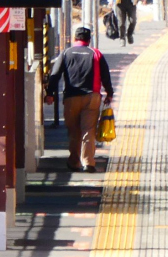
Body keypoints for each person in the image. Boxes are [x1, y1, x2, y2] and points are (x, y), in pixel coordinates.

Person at [45, 26, 115, 172]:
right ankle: (88, 162)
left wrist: (50, 93)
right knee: (88, 129)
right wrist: (109, 93)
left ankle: (74, 162)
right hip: (92, 97)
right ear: (89, 40)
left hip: (71, 98)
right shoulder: (95, 53)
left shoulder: (66, 53)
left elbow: (55, 75)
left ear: (75, 39)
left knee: (74, 131)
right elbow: (105, 76)